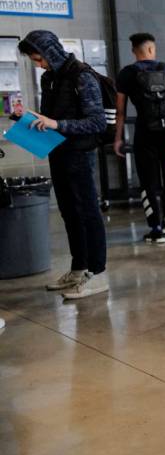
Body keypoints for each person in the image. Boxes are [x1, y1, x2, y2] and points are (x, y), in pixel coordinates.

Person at [18, 30, 109, 300]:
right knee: (69, 213)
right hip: (57, 151)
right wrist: (38, 120)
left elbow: (97, 122)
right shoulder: (49, 78)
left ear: (50, 52)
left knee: (88, 212)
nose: (39, 65)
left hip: (80, 154)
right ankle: (79, 268)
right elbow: (54, 116)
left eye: (39, 58)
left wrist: (57, 124)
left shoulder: (83, 77)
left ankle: (98, 273)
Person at [114, 32, 165, 243]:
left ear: (134, 51)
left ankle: (155, 227)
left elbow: (120, 111)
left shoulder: (126, 74)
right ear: (151, 49)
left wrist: (118, 138)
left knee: (149, 181)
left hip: (145, 133)